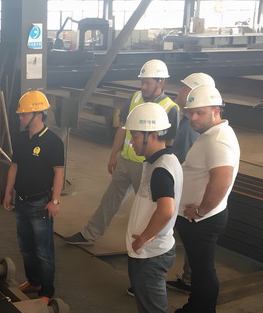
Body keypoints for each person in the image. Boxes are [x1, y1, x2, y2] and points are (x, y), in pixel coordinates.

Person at [64, 59, 179, 247]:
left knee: (148, 207)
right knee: (109, 201)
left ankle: (148, 243)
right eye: (142, 82)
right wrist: (113, 155)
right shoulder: (135, 98)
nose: (143, 86)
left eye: (147, 82)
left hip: (146, 167)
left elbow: (167, 144)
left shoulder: (170, 108)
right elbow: (122, 129)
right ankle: (89, 234)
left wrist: (155, 168)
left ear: (161, 82)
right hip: (125, 161)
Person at [170, 85, 240, 313]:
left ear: (216, 110)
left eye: (199, 112)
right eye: (190, 113)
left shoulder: (218, 140)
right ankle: (193, 310)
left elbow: (221, 180)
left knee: (204, 272)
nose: (193, 118)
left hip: (203, 220)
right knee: (199, 271)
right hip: (196, 218)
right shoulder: (211, 135)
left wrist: (201, 210)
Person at [123, 102, 182, 313]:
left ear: (151, 135)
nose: (132, 142)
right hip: (149, 252)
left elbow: (166, 210)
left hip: (150, 255)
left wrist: (143, 238)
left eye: (135, 136)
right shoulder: (159, 161)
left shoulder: (161, 169)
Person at [3, 90, 65, 305]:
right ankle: (34, 282)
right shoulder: (21, 138)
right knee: (26, 247)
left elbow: (59, 172)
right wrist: (8, 193)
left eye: (24, 114)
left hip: (40, 203)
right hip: (21, 201)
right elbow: (14, 166)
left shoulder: (53, 142)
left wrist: (54, 200)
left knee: (43, 250)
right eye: (20, 114)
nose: (20, 118)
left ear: (38, 114)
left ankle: (46, 291)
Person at [167, 72, 214, 294]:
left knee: (187, 237)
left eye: (184, 88)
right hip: (182, 186)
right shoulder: (187, 119)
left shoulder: (195, 128)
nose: (180, 91)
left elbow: (189, 163)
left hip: (187, 190)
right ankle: (188, 280)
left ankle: (189, 282)